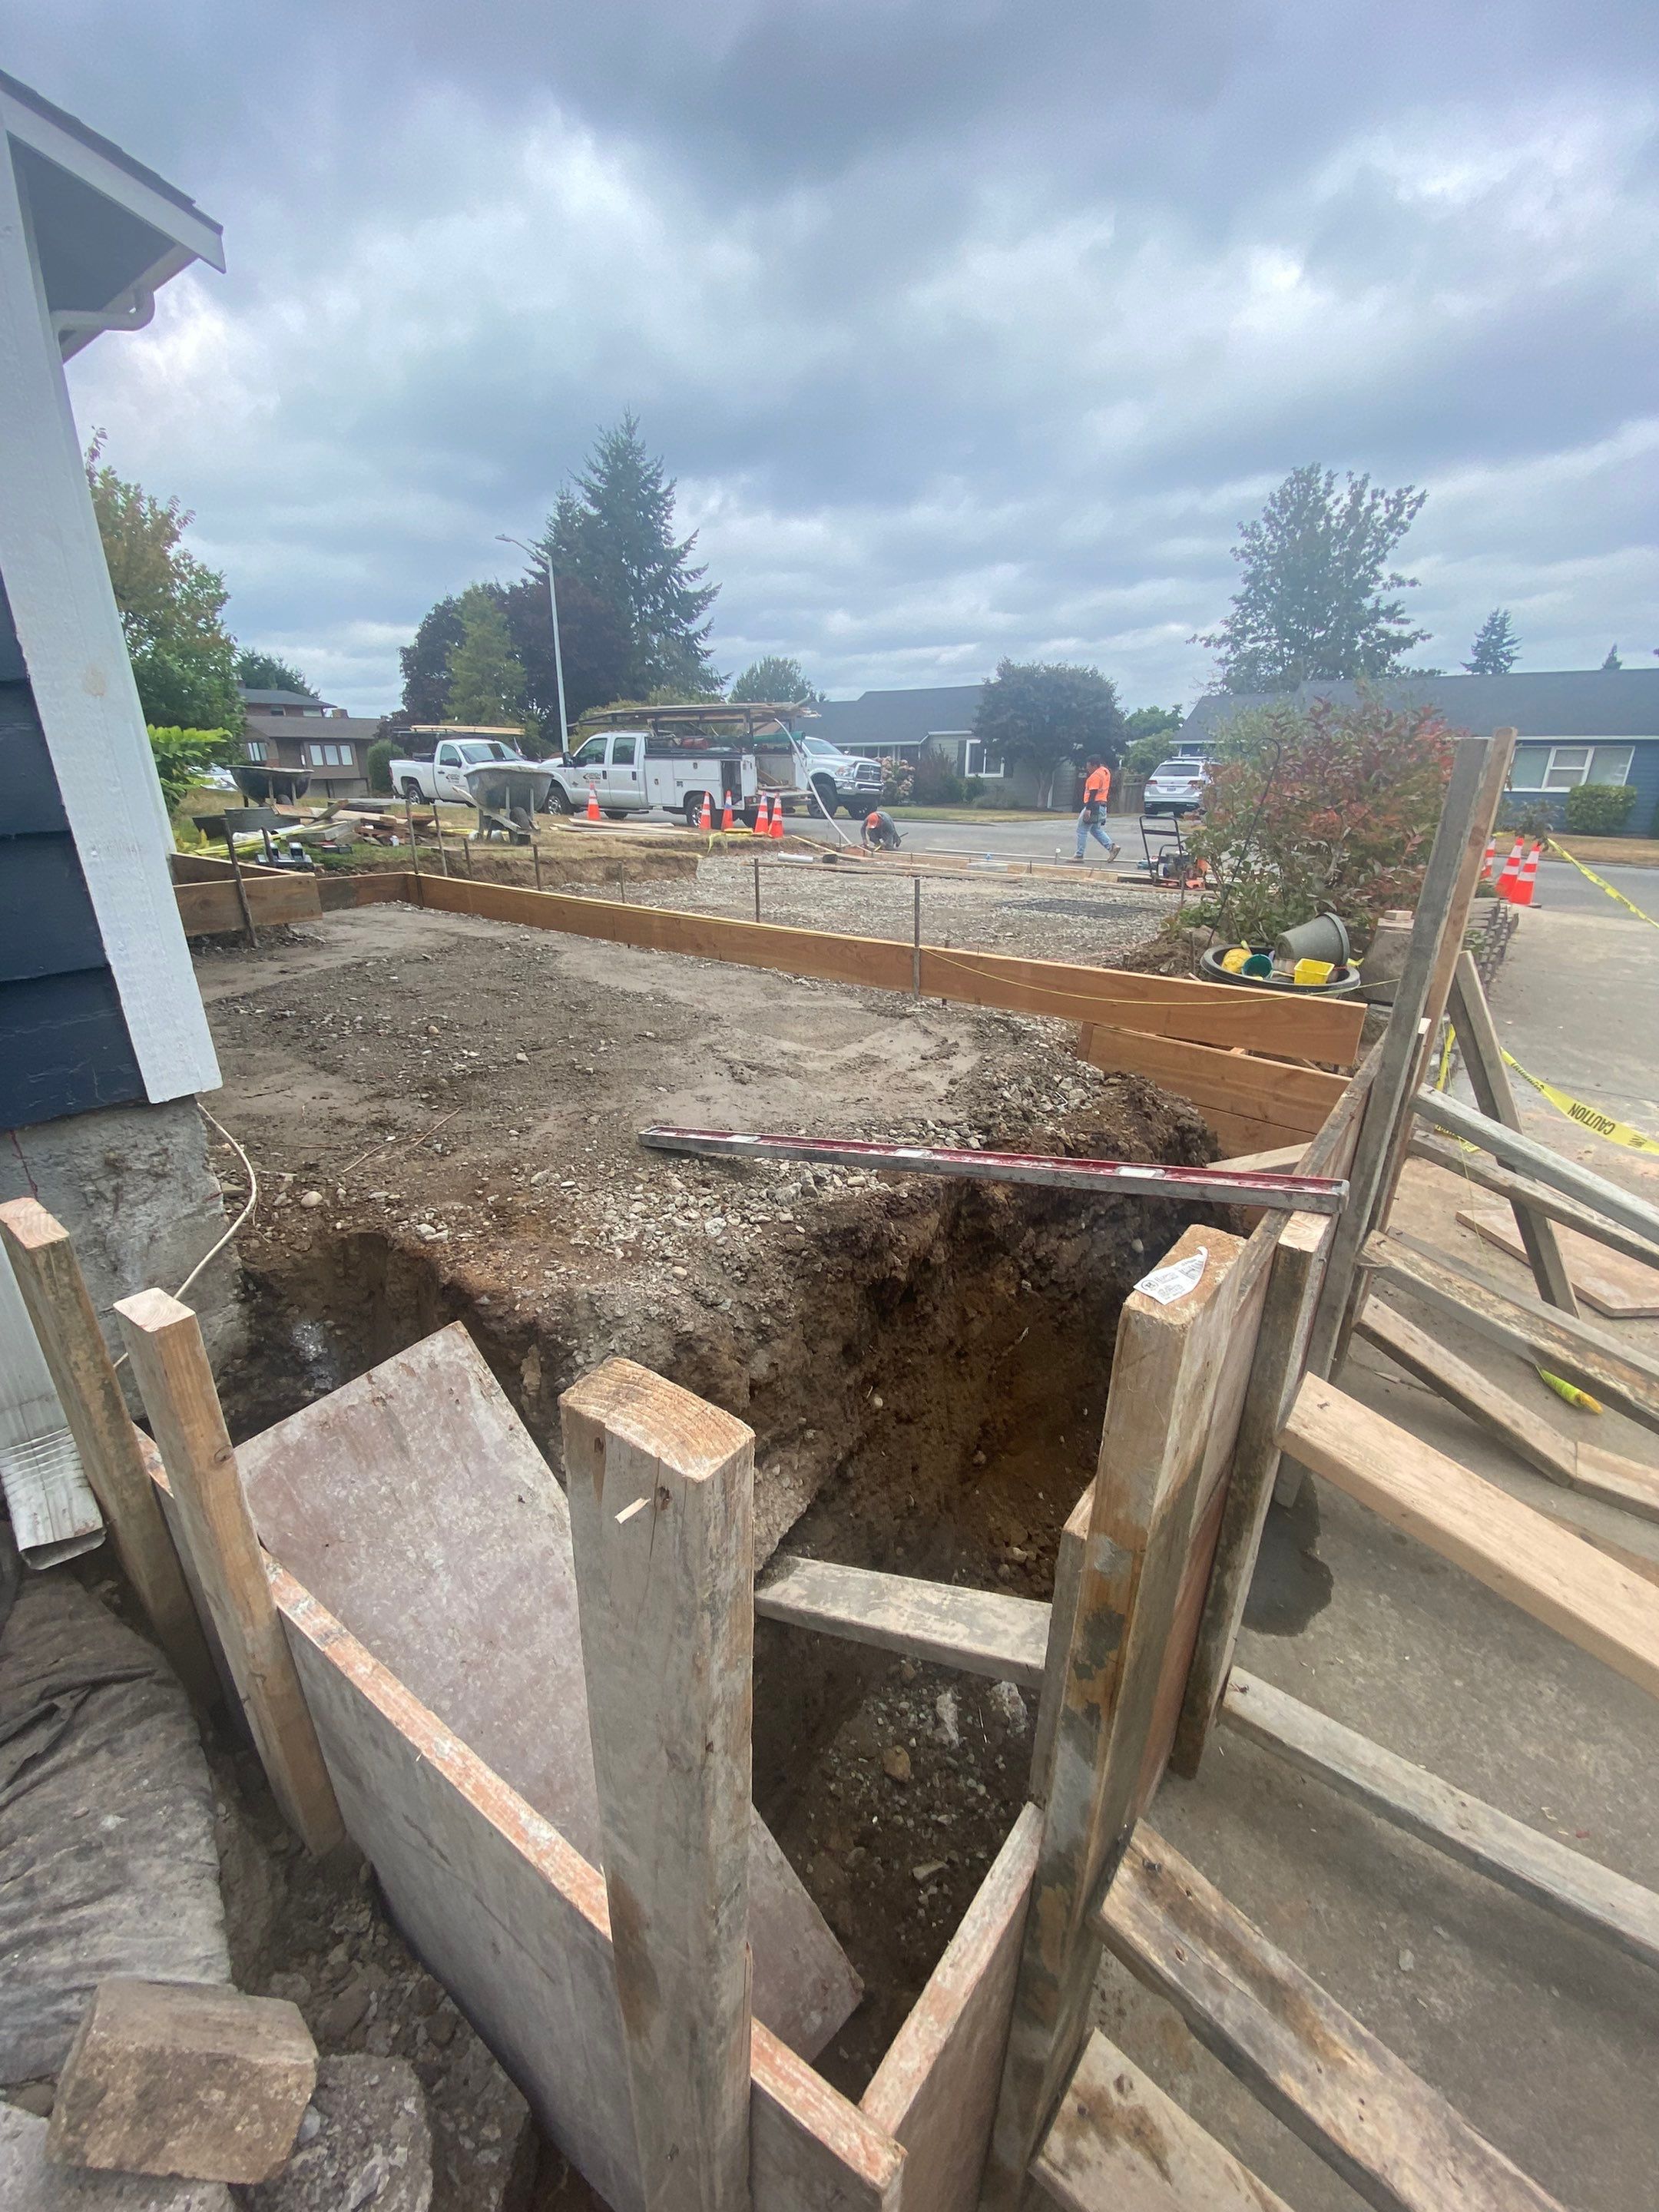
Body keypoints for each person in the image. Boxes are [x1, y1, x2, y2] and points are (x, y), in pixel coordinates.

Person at [1065, 758, 1120, 863]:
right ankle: (1112, 847)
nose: (1087, 768)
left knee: (1082, 830)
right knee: (1095, 829)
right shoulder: (1105, 771)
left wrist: (1088, 809)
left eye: (1089, 766)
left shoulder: (1095, 777)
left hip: (1094, 806)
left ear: (1095, 765)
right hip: (1102, 805)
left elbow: (1093, 794)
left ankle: (1079, 855)